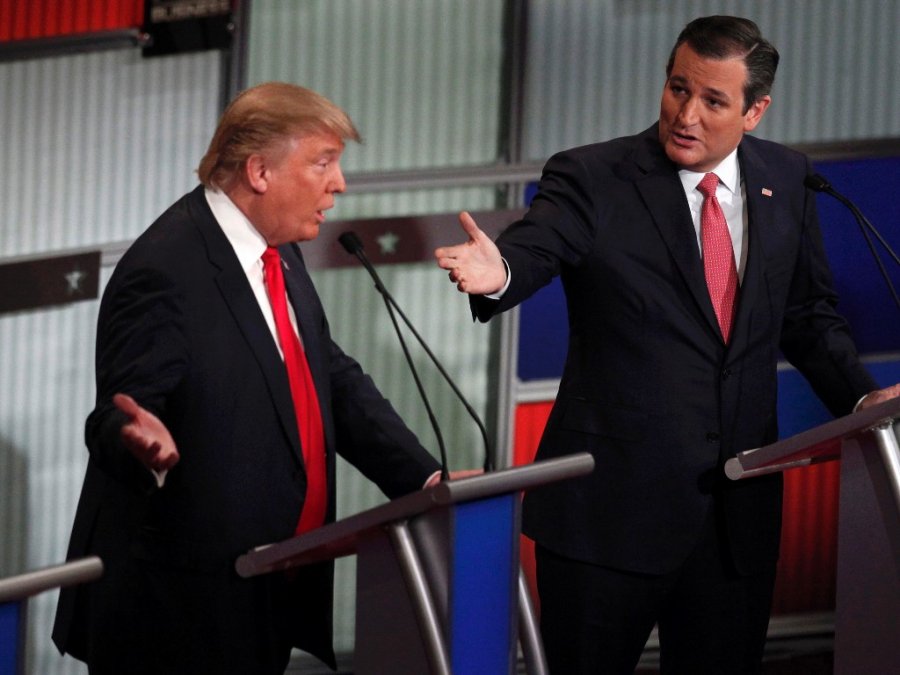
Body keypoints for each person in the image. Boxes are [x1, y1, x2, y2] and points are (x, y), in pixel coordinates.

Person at [435, 15, 900, 674]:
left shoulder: (786, 178)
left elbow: (807, 315)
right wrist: (502, 272)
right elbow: (540, 243)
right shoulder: (595, 176)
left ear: (755, 111)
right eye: (678, 88)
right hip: (607, 521)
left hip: (734, 523)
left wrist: (862, 395)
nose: (686, 114)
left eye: (713, 100)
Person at [52, 82, 446, 674]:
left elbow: (326, 376)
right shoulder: (165, 269)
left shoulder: (276, 249)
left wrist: (424, 479)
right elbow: (117, 416)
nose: (338, 184)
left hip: (264, 582)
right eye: (323, 163)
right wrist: (142, 445)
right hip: (177, 613)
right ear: (259, 171)